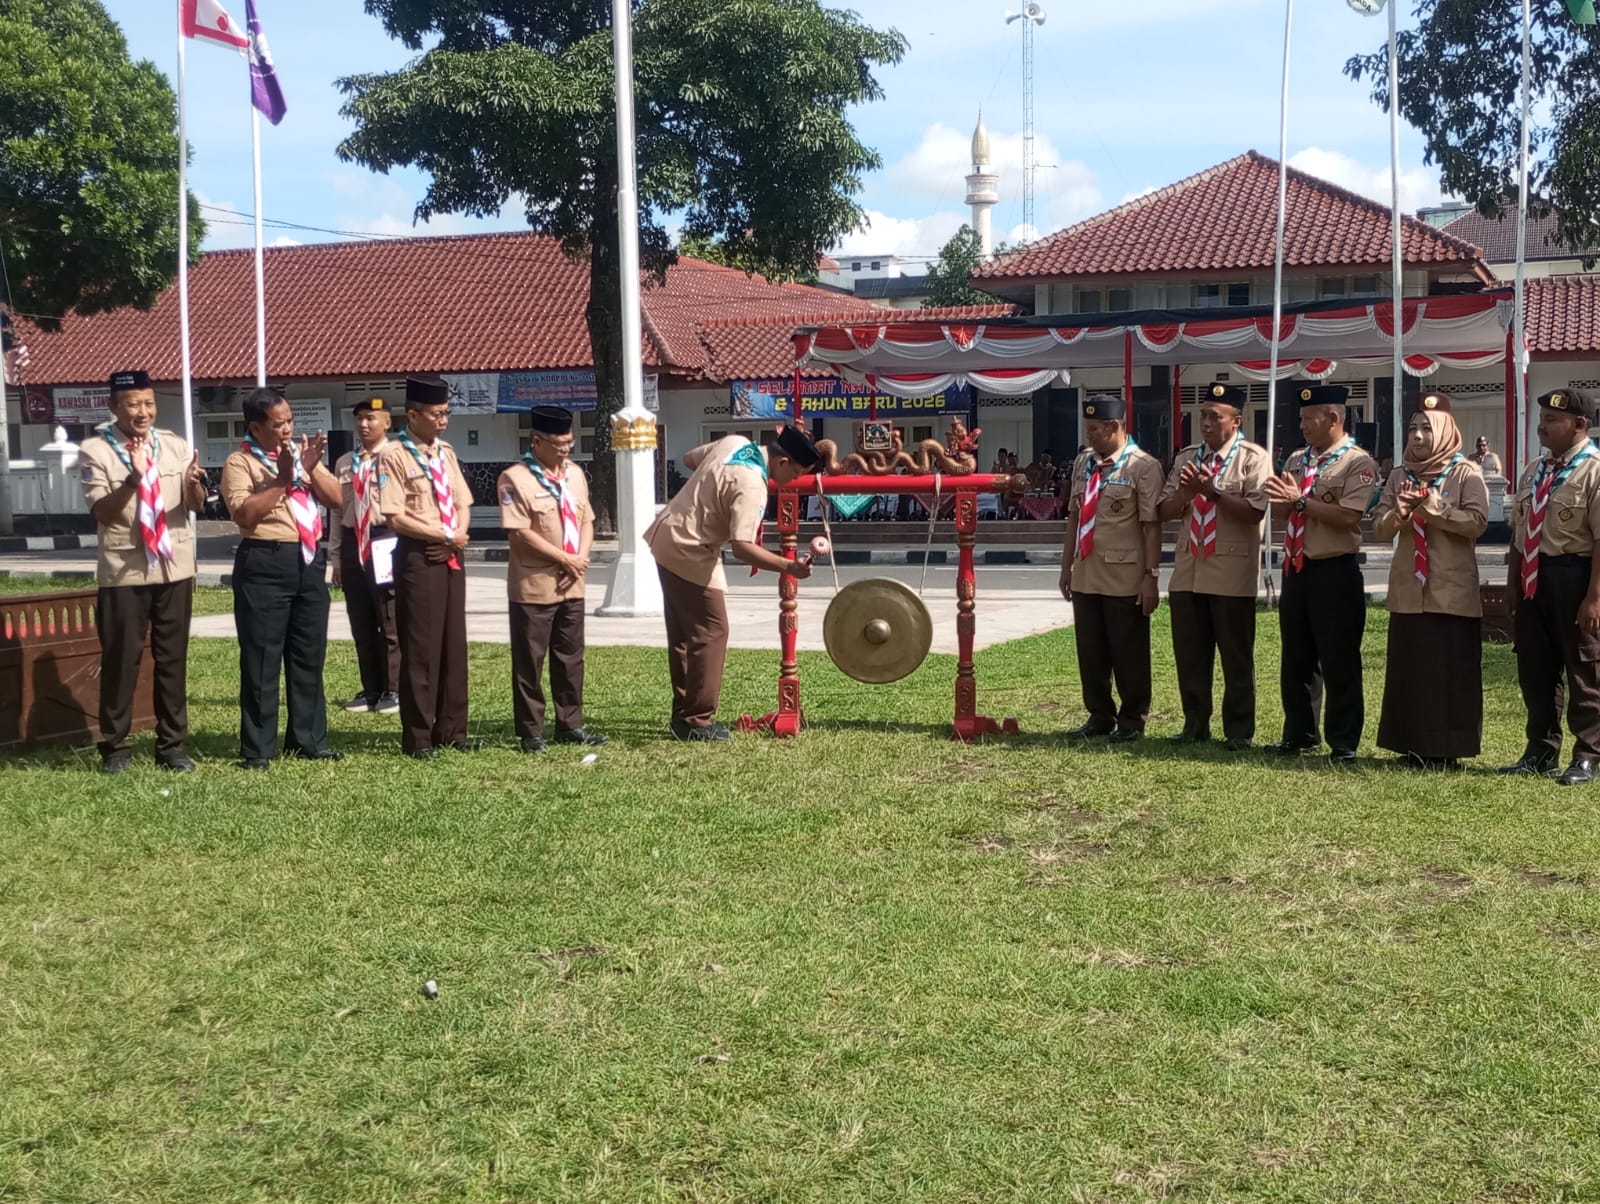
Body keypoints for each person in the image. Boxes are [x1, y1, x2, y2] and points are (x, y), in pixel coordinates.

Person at [646, 426, 817, 741]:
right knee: (712, 631)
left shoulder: (735, 442)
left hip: (666, 536)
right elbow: (742, 547)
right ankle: (697, 722)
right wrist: (789, 566)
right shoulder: (752, 483)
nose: (793, 480)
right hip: (690, 549)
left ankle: (683, 716)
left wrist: (711, 489)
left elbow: (689, 458)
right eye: (795, 473)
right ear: (782, 462)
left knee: (685, 634)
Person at [78, 369, 208, 773]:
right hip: (126, 570)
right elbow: (102, 512)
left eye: (149, 403)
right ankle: (115, 746)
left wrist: (194, 483)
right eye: (133, 404)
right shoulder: (95, 450)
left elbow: (196, 504)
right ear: (113, 406)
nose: (143, 411)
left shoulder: (173, 445)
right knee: (122, 659)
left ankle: (172, 746)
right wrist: (132, 481)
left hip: (173, 567)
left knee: (173, 659)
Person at [220, 386, 343, 768]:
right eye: (278, 424)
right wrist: (282, 480)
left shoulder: (302, 455)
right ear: (256, 427)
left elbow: (338, 499)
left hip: (308, 560)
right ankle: (258, 748)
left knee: (308, 655)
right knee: (262, 658)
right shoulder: (240, 462)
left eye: (290, 421)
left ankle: (309, 740)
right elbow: (244, 515)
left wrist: (310, 468)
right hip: (265, 562)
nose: (287, 429)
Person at [1263, 383, 1379, 764]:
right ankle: (1299, 733)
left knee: (1339, 657)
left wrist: (1300, 501)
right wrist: (1284, 500)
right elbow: (1282, 513)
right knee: (1296, 656)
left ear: (1333, 418)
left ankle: (1343, 741)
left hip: (1334, 570)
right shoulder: (1298, 460)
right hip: (1297, 567)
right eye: (1300, 419)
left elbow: (1349, 516)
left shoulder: (1357, 462)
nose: (1302, 426)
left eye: (1308, 419)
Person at [1371, 393, 1488, 769]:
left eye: (1427, 428)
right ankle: (1411, 745)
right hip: (1409, 589)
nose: (1418, 436)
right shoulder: (1399, 475)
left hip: (1451, 592)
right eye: (1413, 429)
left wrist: (1433, 507)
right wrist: (1399, 513)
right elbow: (1379, 528)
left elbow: (1477, 523)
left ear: (1446, 432)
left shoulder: (1466, 473)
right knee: (1410, 669)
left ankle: (1446, 749)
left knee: (1449, 671)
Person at [1156, 382, 1271, 749]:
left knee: (1236, 657)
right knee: (1190, 654)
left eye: (1215, 417)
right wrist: (1185, 494)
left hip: (1230, 572)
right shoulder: (1187, 458)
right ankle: (1195, 723)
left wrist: (1213, 492)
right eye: (1202, 416)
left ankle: (1238, 730)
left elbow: (1255, 512)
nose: (1205, 423)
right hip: (1188, 569)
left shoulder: (1253, 458)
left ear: (1236, 421)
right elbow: (1163, 511)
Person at [1502, 388, 1600, 784]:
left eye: (1552, 420)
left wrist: (1594, 598)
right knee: (1536, 668)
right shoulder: (1534, 470)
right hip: (1533, 577)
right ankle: (1540, 751)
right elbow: (1517, 534)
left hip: (1575, 576)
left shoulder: (1593, 470)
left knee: (1584, 667)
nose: (1542, 427)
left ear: (1580, 425)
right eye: (1541, 419)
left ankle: (1588, 754)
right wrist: (1512, 584)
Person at [376, 377, 475, 759]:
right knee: (422, 646)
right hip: (419, 554)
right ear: (413, 415)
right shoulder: (394, 455)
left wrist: (457, 534)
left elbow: (462, 501)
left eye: (446, 413)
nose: (443, 420)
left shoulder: (445, 452)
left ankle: (453, 730)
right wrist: (443, 534)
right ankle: (419, 736)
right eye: (436, 414)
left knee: (453, 643)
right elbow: (395, 515)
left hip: (451, 550)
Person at [498, 405, 605, 753]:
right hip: (535, 585)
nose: (565, 450)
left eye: (569, 443)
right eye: (558, 444)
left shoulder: (575, 474)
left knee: (571, 657)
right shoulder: (515, 479)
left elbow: (586, 519)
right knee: (530, 661)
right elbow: (519, 532)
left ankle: (570, 724)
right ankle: (531, 731)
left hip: (572, 582)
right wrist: (564, 559)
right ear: (537, 442)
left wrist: (580, 559)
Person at [1059, 393, 1164, 742]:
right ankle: (1099, 715)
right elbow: (1074, 518)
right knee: (1091, 651)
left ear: (1114, 427)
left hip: (1124, 576)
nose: (1088, 436)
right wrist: (1066, 567)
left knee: (1128, 651)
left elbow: (1151, 526)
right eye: (1087, 429)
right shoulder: (1084, 462)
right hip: (1086, 571)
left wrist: (1150, 577)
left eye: (1094, 430)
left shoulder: (1142, 466)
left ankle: (1132, 719)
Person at [328, 397, 400, 715]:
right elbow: (336, 511)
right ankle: (370, 689)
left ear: (387, 422)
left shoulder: (397, 457)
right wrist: (335, 557)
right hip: (352, 540)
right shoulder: (345, 462)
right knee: (360, 619)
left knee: (390, 616)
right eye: (359, 418)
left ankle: (394, 689)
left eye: (371, 418)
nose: (364, 424)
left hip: (385, 538)